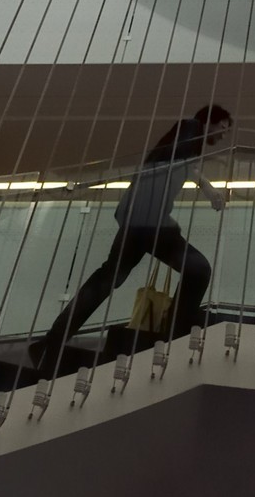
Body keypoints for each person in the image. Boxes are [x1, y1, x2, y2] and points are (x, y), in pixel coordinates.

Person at [30, 105, 232, 369]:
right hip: (150, 220)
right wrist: (206, 187)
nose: (224, 136)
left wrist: (205, 186)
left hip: (138, 218)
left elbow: (178, 160)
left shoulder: (188, 138)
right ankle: (173, 337)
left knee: (109, 277)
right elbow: (177, 158)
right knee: (199, 270)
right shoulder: (190, 128)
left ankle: (50, 343)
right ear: (210, 121)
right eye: (223, 128)